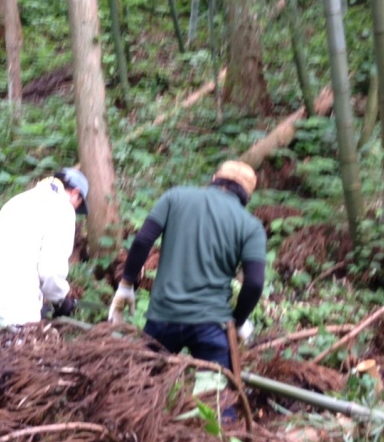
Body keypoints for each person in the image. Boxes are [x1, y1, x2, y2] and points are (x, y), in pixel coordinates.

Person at [108, 160, 266, 373]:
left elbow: (143, 240)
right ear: (247, 195)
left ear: (213, 179)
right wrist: (238, 322)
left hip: (163, 316)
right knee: (215, 397)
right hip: (212, 323)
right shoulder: (251, 225)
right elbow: (254, 283)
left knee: (142, 386)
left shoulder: (176, 197)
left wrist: (126, 285)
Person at [0, 167, 90, 327]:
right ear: (75, 193)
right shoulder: (62, 208)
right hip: (14, 295)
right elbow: (51, 269)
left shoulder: (20, 199)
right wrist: (60, 300)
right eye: (77, 204)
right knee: (15, 350)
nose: (74, 209)